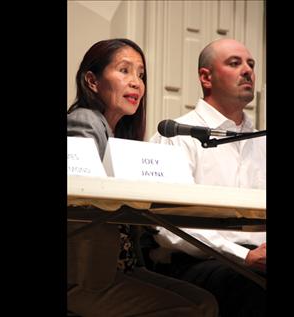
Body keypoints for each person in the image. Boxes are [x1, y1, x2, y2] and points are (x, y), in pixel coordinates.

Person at [67, 38, 218, 317]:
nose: (136, 82)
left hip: (123, 267)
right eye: (124, 70)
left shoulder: (119, 135)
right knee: (190, 310)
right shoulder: (85, 120)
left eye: (141, 74)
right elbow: (83, 194)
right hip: (84, 277)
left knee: (205, 303)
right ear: (92, 81)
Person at [149, 38, 266, 317]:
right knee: (252, 286)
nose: (248, 70)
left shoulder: (262, 141)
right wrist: (244, 256)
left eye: (251, 64)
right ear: (206, 77)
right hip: (196, 261)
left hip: (256, 257)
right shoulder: (177, 137)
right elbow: (170, 227)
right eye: (235, 63)